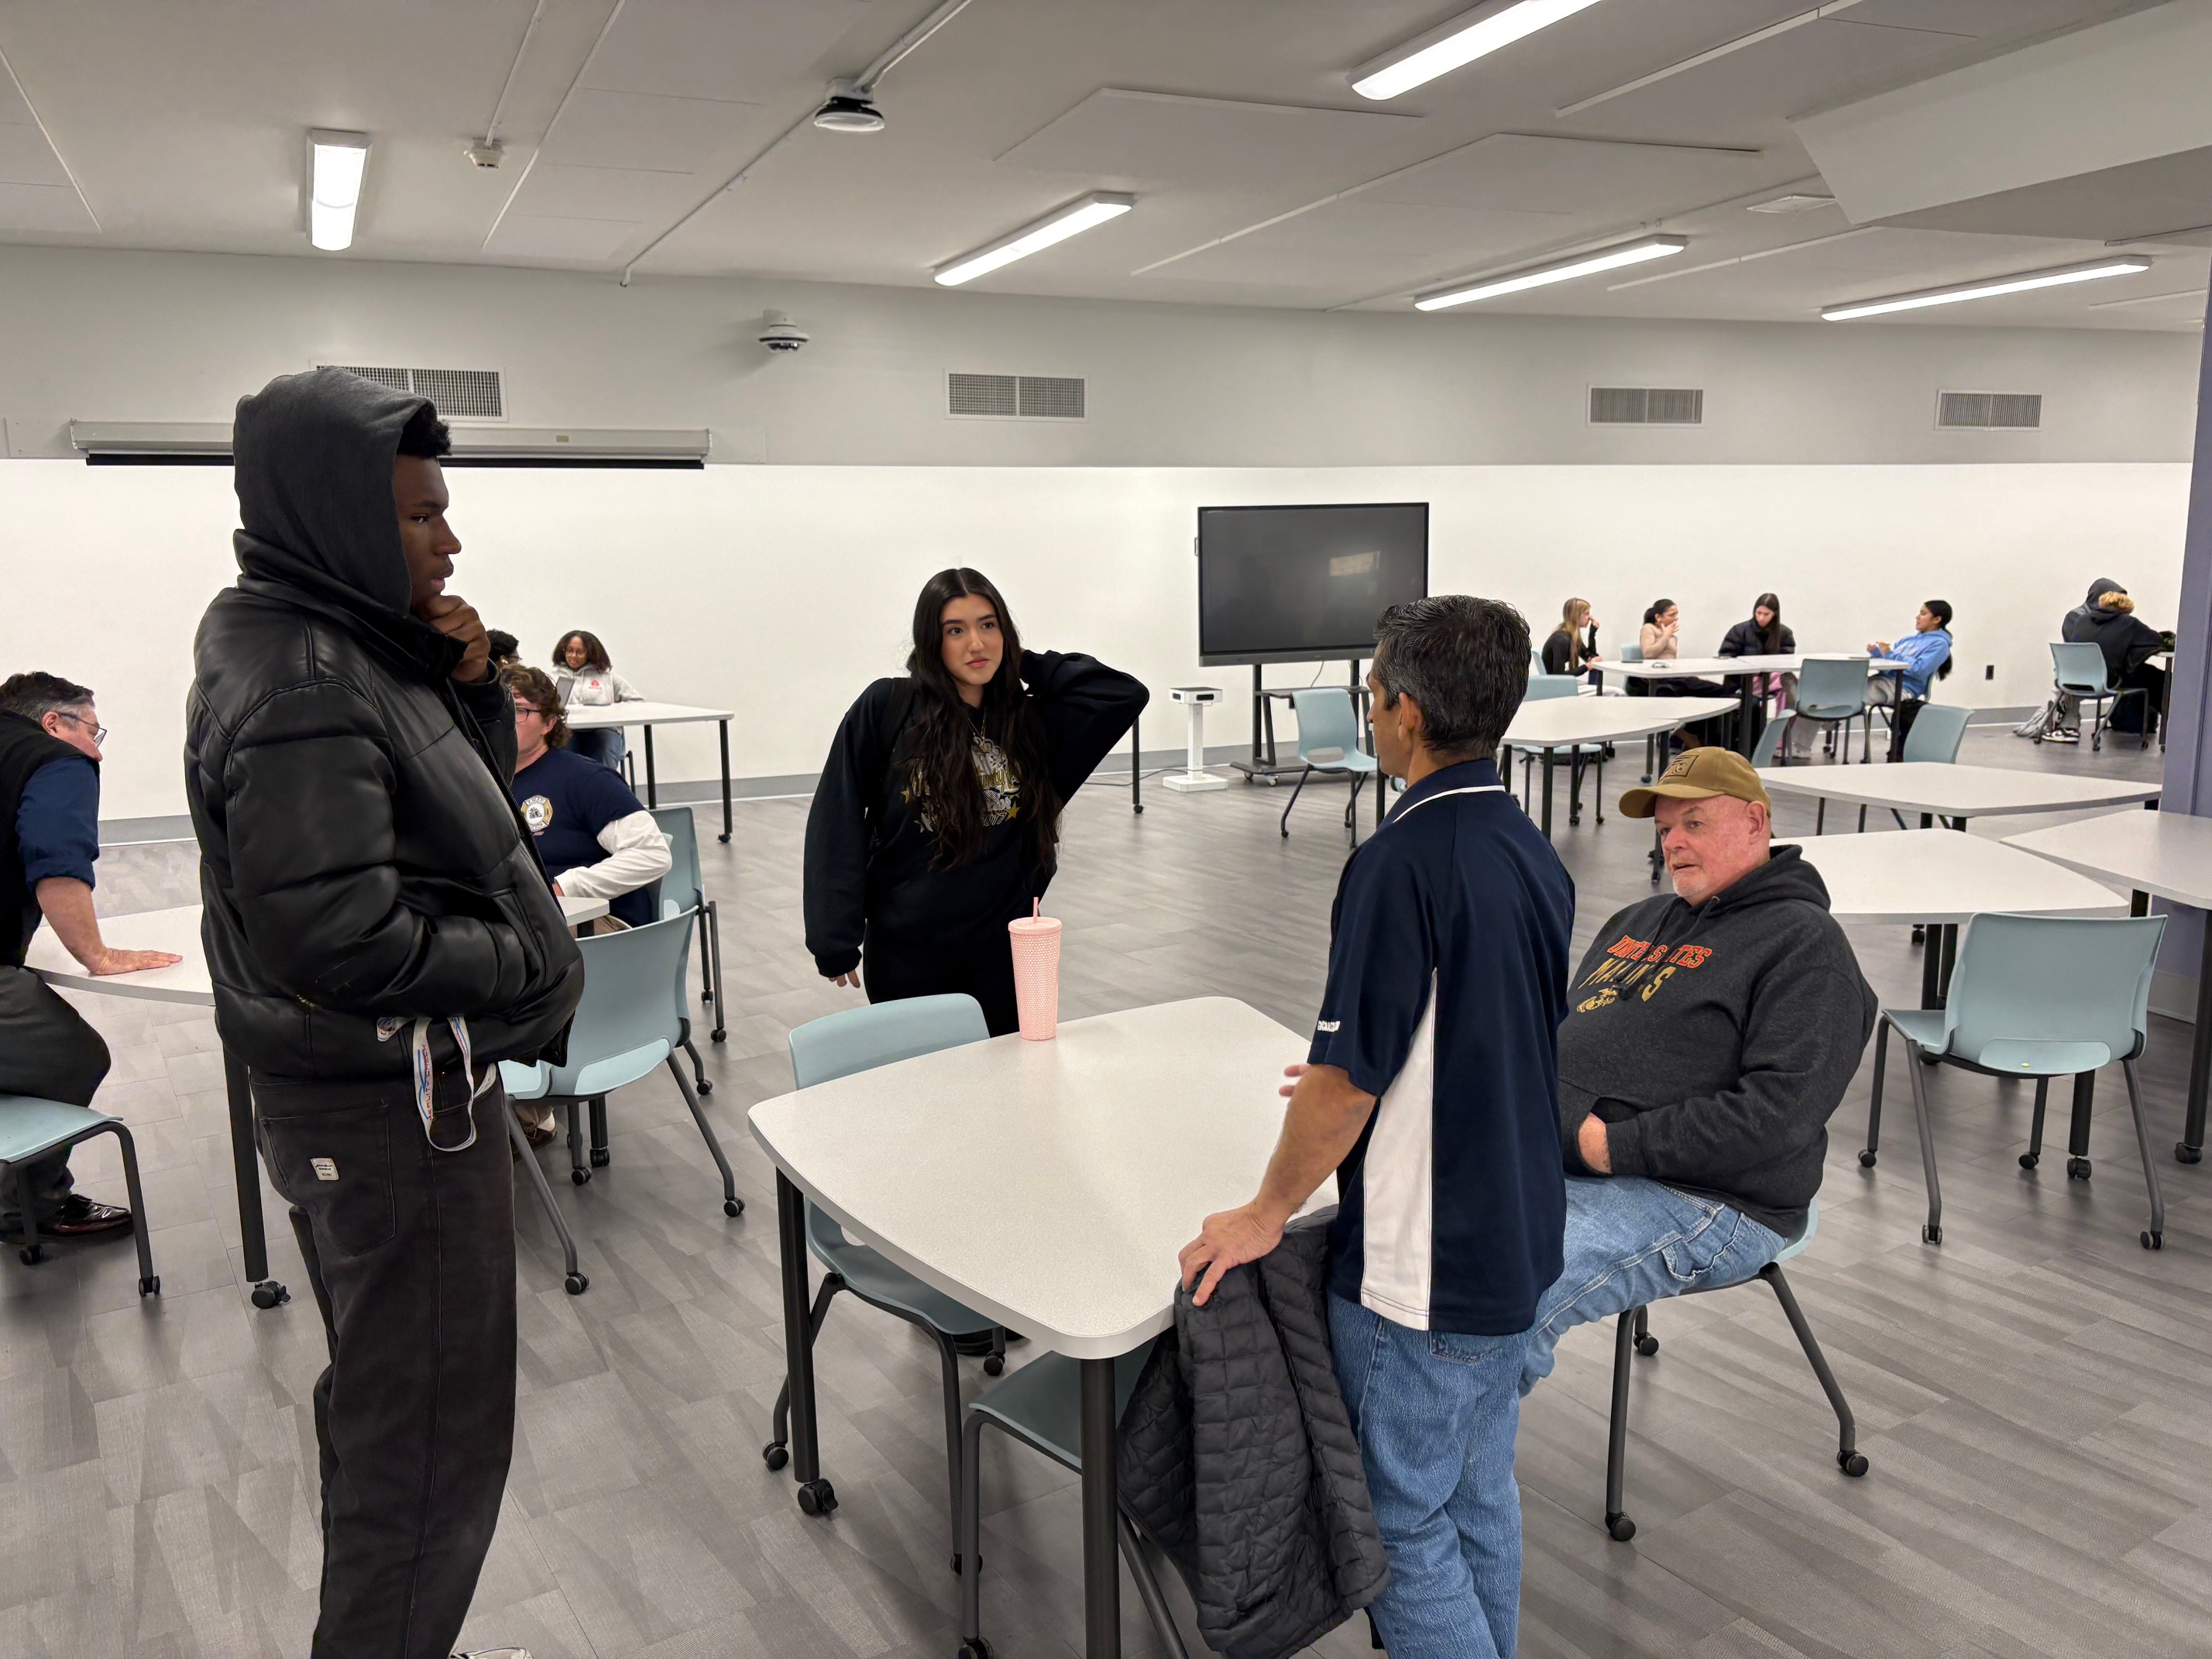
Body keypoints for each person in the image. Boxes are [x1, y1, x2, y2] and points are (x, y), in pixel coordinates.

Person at [186, 367, 583, 1659]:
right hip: (390, 1110)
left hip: (375, 1102)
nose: (451, 539)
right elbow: (338, 934)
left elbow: (420, 820)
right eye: (423, 514)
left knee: (394, 1408)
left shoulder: (332, 637)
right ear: (344, 518)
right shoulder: (304, 674)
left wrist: (461, 684)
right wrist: (517, 958)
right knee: (428, 1439)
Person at [1180, 596, 1572, 1659]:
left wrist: (1267, 1209)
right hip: (1523, 1245)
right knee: (1478, 1491)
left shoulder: (1399, 861)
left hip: (1423, 1276)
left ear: (1399, 709)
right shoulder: (1528, 846)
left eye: (1371, 693)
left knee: (1398, 1520)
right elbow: (1484, 1028)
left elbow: (1349, 1085)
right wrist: (1377, 1064)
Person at [1520, 746, 1874, 1398]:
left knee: (1510, 1289)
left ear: (1756, 823)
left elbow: (1778, 1115)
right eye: (1664, 830)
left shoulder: (1805, 946)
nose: (1674, 843)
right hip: (1557, 1157)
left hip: (1706, 1196)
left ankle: (1435, 1494)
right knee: (1400, 1242)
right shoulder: (1640, 920)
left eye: (1695, 824)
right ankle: (1394, 1462)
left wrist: (1610, 1146)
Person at [804, 568, 1147, 1039]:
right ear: (931, 641)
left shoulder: (1027, 723)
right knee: (923, 1092)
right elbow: (836, 816)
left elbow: (1122, 694)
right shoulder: (889, 706)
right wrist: (834, 937)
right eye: (955, 631)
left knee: (1008, 1090)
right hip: (908, 951)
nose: (976, 644)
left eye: (989, 626)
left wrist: (1022, 662)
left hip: (1003, 952)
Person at [0, 672, 180, 1246]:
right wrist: (98, 955)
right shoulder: (55, 760)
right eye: (95, 732)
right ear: (55, 723)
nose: (97, 749)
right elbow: (56, 858)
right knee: (69, 1055)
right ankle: (25, 1209)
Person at [2062, 579, 2166, 738]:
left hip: (2074, 679)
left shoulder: (2081, 620)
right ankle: (2179, 723)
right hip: (2107, 681)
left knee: (2143, 673)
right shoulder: (2129, 623)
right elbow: (2156, 640)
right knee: (2159, 678)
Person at [1867, 599, 1954, 758]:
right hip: (1883, 681)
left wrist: (1890, 654)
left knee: (1845, 694)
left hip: (1902, 687)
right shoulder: (1909, 640)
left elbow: (1919, 670)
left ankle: (1829, 720)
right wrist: (1878, 653)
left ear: (1937, 620)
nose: (1917, 617)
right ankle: (1818, 732)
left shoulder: (1939, 645)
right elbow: (1891, 660)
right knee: (1837, 690)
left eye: (1923, 613)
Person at [1637, 599, 1729, 744]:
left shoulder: (1672, 635)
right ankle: (1684, 736)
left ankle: (1702, 736)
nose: (1676, 618)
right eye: (1671, 615)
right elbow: (1649, 654)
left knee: (1718, 692)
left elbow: (1672, 660)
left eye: (1677, 614)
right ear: (1658, 617)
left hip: (1675, 676)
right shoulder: (1649, 628)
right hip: (1660, 679)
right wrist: (1666, 634)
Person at [553, 629, 643, 771]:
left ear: (591, 653)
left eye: (579, 652)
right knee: (562, 745)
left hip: (604, 730)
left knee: (605, 744)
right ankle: (567, 791)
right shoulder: (553, 677)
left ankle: (605, 789)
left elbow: (636, 702)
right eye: (569, 650)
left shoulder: (608, 678)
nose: (573, 656)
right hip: (568, 730)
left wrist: (615, 710)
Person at [1717, 592, 1797, 750]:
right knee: (1787, 685)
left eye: (1766, 614)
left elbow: (1786, 659)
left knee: (1792, 692)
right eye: (1758, 613)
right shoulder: (1740, 630)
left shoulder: (1784, 633)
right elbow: (1725, 656)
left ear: (1775, 614)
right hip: (1744, 681)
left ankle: (1779, 739)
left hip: (1772, 679)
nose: (1761, 617)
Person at [1541, 596, 1602, 681]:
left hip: (1561, 685)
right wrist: (1587, 666)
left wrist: (1592, 634)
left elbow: (1591, 657)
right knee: (1616, 693)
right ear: (1576, 616)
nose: (1590, 618)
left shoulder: (1572, 637)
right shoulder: (1561, 640)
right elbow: (1558, 676)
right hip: (1558, 687)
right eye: (1586, 614)